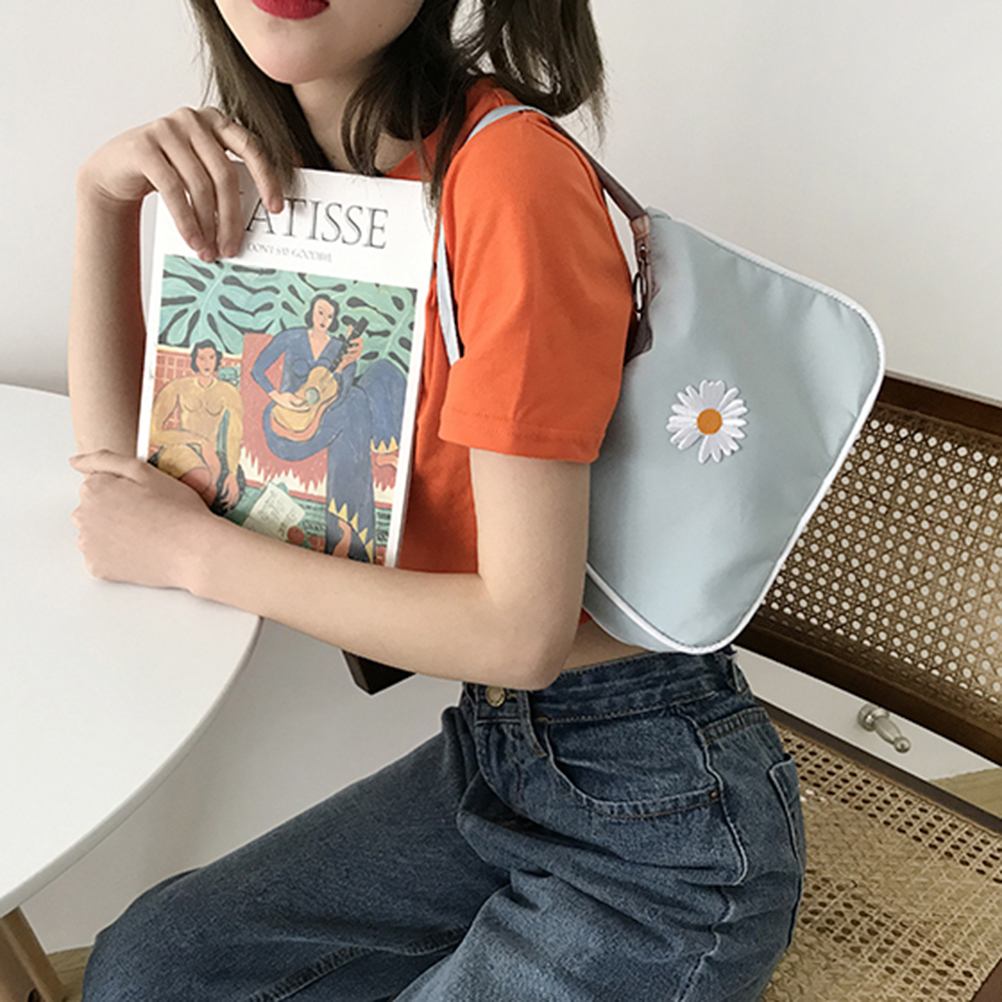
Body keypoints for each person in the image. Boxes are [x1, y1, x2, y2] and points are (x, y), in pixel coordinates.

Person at [68, 1, 806, 998]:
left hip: (658, 824)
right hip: (496, 760)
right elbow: (122, 497)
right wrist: (101, 200)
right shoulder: (297, 190)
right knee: (146, 970)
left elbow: (522, 632)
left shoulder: (505, 176)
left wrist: (192, 551)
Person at [250, 293, 405, 561]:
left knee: (381, 374)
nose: (324, 319)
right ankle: (349, 532)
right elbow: (258, 370)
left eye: (330, 316)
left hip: (323, 418)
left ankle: (347, 525)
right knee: (355, 404)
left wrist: (346, 365)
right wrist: (278, 396)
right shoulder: (292, 337)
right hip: (286, 425)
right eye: (320, 312)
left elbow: (339, 394)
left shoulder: (337, 348)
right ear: (311, 311)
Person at [148, 339, 244, 512]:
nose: (207, 363)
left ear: (217, 360)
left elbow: (234, 435)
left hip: (211, 454)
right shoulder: (178, 386)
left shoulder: (228, 392)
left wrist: (232, 472)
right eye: (202, 358)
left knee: (217, 497)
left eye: (211, 357)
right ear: (194, 361)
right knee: (201, 479)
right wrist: (198, 440)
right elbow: (154, 433)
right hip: (181, 447)